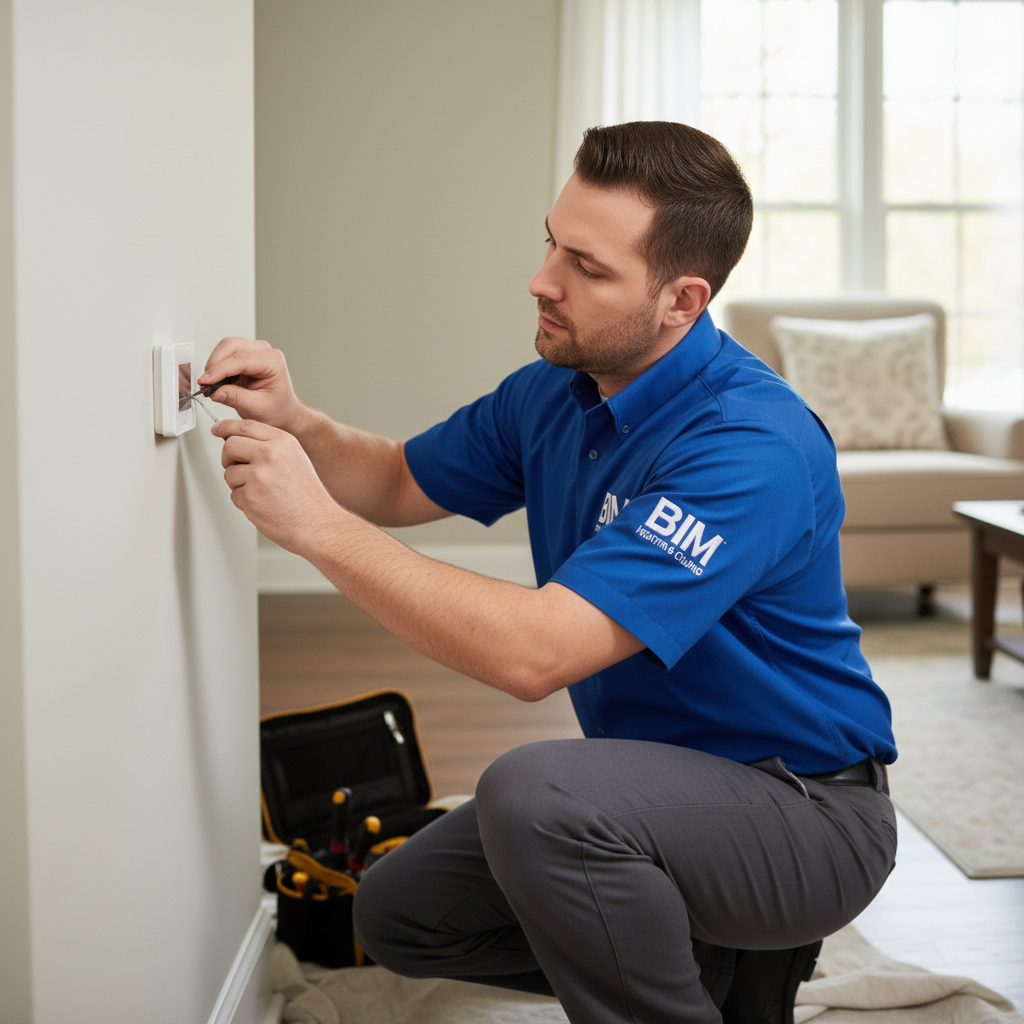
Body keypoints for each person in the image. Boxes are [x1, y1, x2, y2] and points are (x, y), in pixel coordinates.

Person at [203, 121, 897, 1024]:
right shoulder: (560, 388)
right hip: (652, 788)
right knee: (400, 913)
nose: (542, 280)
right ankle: (706, 962)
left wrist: (314, 529)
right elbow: (399, 479)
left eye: (587, 267)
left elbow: (534, 656)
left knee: (537, 795)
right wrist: (296, 422)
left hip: (803, 812)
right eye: (550, 243)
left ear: (682, 300)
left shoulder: (751, 445)